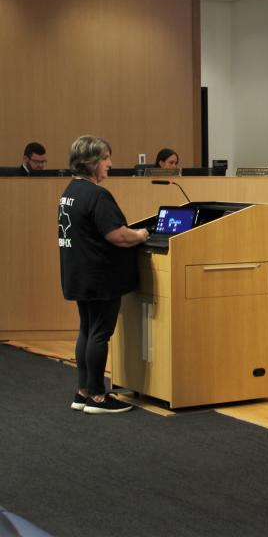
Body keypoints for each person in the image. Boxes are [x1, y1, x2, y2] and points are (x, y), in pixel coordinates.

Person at [59, 136, 149, 414]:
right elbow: (118, 236)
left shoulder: (70, 191)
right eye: (106, 158)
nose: (110, 164)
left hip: (79, 273)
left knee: (87, 330)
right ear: (92, 163)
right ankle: (98, 397)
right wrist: (142, 234)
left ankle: (83, 391)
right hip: (99, 276)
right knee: (100, 333)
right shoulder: (97, 195)